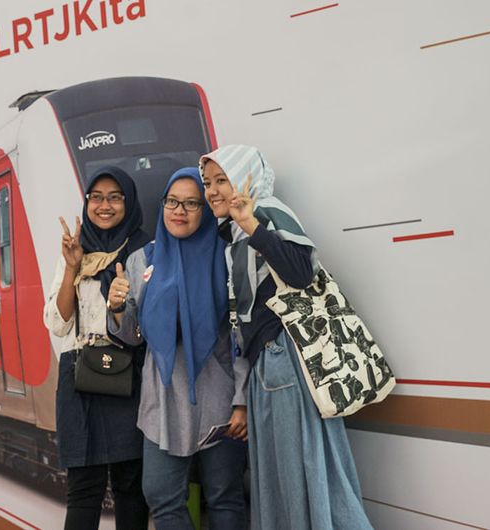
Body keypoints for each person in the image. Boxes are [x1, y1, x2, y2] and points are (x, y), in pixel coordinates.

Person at [200, 144, 372, 529]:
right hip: (269, 366)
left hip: (287, 363)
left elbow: (300, 273)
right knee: (289, 478)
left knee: (307, 475)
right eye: (207, 182)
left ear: (246, 178)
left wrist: (253, 226)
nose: (211, 190)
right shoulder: (233, 235)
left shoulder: (266, 212)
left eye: (221, 180)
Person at [108, 167, 249, 530]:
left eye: (191, 203)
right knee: (161, 496)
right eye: (172, 201)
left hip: (219, 398)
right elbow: (131, 337)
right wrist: (117, 308)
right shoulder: (144, 260)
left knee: (224, 497)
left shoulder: (226, 256)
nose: (179, 211)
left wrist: (242, 399)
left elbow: (242, 333)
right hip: (163, 399)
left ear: (205, 210)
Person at [43, 167, 150, 530]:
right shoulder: (75, 251)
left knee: (130, 487)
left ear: (129, 201)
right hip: (80, 376)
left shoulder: (145, 250)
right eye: (97, 197)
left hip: (129, 375)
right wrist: (73, 269)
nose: (105, 205)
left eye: (115, 197)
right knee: (83, 489)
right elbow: (58, 324)